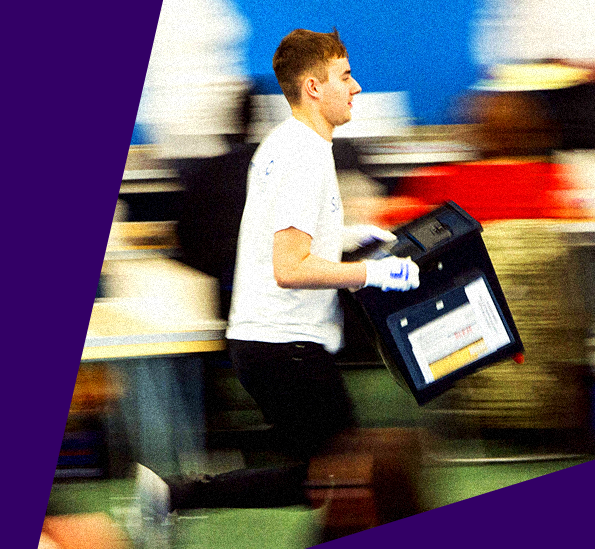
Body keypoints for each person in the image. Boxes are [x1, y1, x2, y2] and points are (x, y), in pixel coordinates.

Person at [135, 28, 420, 536]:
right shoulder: (300, 157)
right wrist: (375, 271)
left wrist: (352, 233)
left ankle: (174, 496)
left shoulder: (289, 144)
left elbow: (285, 237)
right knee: (351, 479)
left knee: (324, 480)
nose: (356, 88)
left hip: (273, 343)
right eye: (346, 76)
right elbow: (289, 269)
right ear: (314, 87)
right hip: (284, 345)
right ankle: (175, 495)